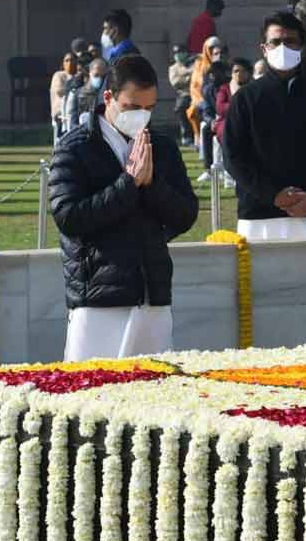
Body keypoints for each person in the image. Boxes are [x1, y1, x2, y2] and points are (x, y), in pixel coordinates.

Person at [49, 54, 199, 361]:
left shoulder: (164, 147)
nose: (141, 116)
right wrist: (128, 185)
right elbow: (69, 217)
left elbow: (185, 214)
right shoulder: (74, 147)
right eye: (132, 107)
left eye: (149, 108)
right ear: (108, 98)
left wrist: (151, 185)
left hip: (152, 292)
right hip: (97, 297)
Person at [224, 11, 306, 241]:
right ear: (264, 49)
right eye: (275, 42)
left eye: (290, 41)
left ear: (302, 47)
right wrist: (273, 195)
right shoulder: (245, 99)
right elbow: (233, 156)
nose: (282, 47)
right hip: (258, 217)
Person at [186, 36, 223, 151]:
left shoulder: (223, 63)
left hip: (218, 99)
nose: (213, 50)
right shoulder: (200, 64)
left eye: (216, 47)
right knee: (193, 112)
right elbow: (195, 86)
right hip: (201, 98)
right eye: (211, 47)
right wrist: (201, 100)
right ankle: (197, 140)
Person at [196, 59, 230, 181]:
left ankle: (229, 169)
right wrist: (211, 121)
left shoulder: (230, 86)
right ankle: (208, 169)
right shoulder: (208, 90)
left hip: (230, 120)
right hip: (216, 121)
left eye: (214, 73)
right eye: (210, 74)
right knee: (206, 130)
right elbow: (206, 110)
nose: (212, 76)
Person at [168, 45, 194, 145]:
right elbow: (175, 82)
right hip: (183, 95)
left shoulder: (193, 64)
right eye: (176, 53)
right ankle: (186, 136)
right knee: (181, 108)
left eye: (181, 52)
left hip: (196, 94)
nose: (178, 55)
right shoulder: (173, 68)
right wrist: (189, 77)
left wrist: (185, 75)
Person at [51, 52, 80, 122]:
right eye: (66, 60)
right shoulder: (59, 75)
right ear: (63, 63)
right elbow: (60, 92)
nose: (69, 63)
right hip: (60, 114)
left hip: (77, 112)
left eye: (72, 60)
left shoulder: (80, 75)